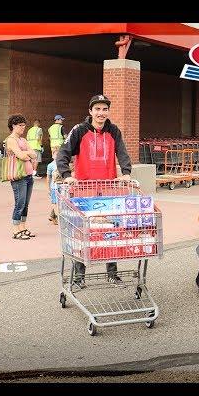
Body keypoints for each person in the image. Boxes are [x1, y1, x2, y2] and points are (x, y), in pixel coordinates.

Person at [56, 94, 132, 286]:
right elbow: (63, 153)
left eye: (104, 109)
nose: (101, 113)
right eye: (97, 109)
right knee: (82, 231)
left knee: (110, 231)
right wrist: (67, 175)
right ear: (90, 111)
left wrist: (126, 172)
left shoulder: (113, 130)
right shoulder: (79, 130)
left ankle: (112, 273)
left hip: (108, 190)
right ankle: (79, 276)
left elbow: (122, 152)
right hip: (84, 190)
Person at [4, 114, 38, 240]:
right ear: (13, 125)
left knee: (26, 204)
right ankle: (15, 230)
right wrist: (27, 154)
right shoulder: (11, 140)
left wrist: (26, 154)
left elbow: (34, 154)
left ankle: (23, 228)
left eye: (24, 125)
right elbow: (22, 156)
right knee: (20, 203)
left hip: (28, 176)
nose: (23, 127)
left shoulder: (23, 140)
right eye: (20, 125)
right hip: (19, 177)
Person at [46, 148, 60, 225]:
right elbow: (48, 178)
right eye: (56, 154)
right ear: (53, 156)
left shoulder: (63, 163)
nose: (57, 156)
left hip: (62, 186)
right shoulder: (50, 165)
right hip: (54, 187)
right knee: (55, 203)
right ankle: (58, 217)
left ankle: (52, 215)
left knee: (60, 203)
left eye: (59, 154)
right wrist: (48, 188)